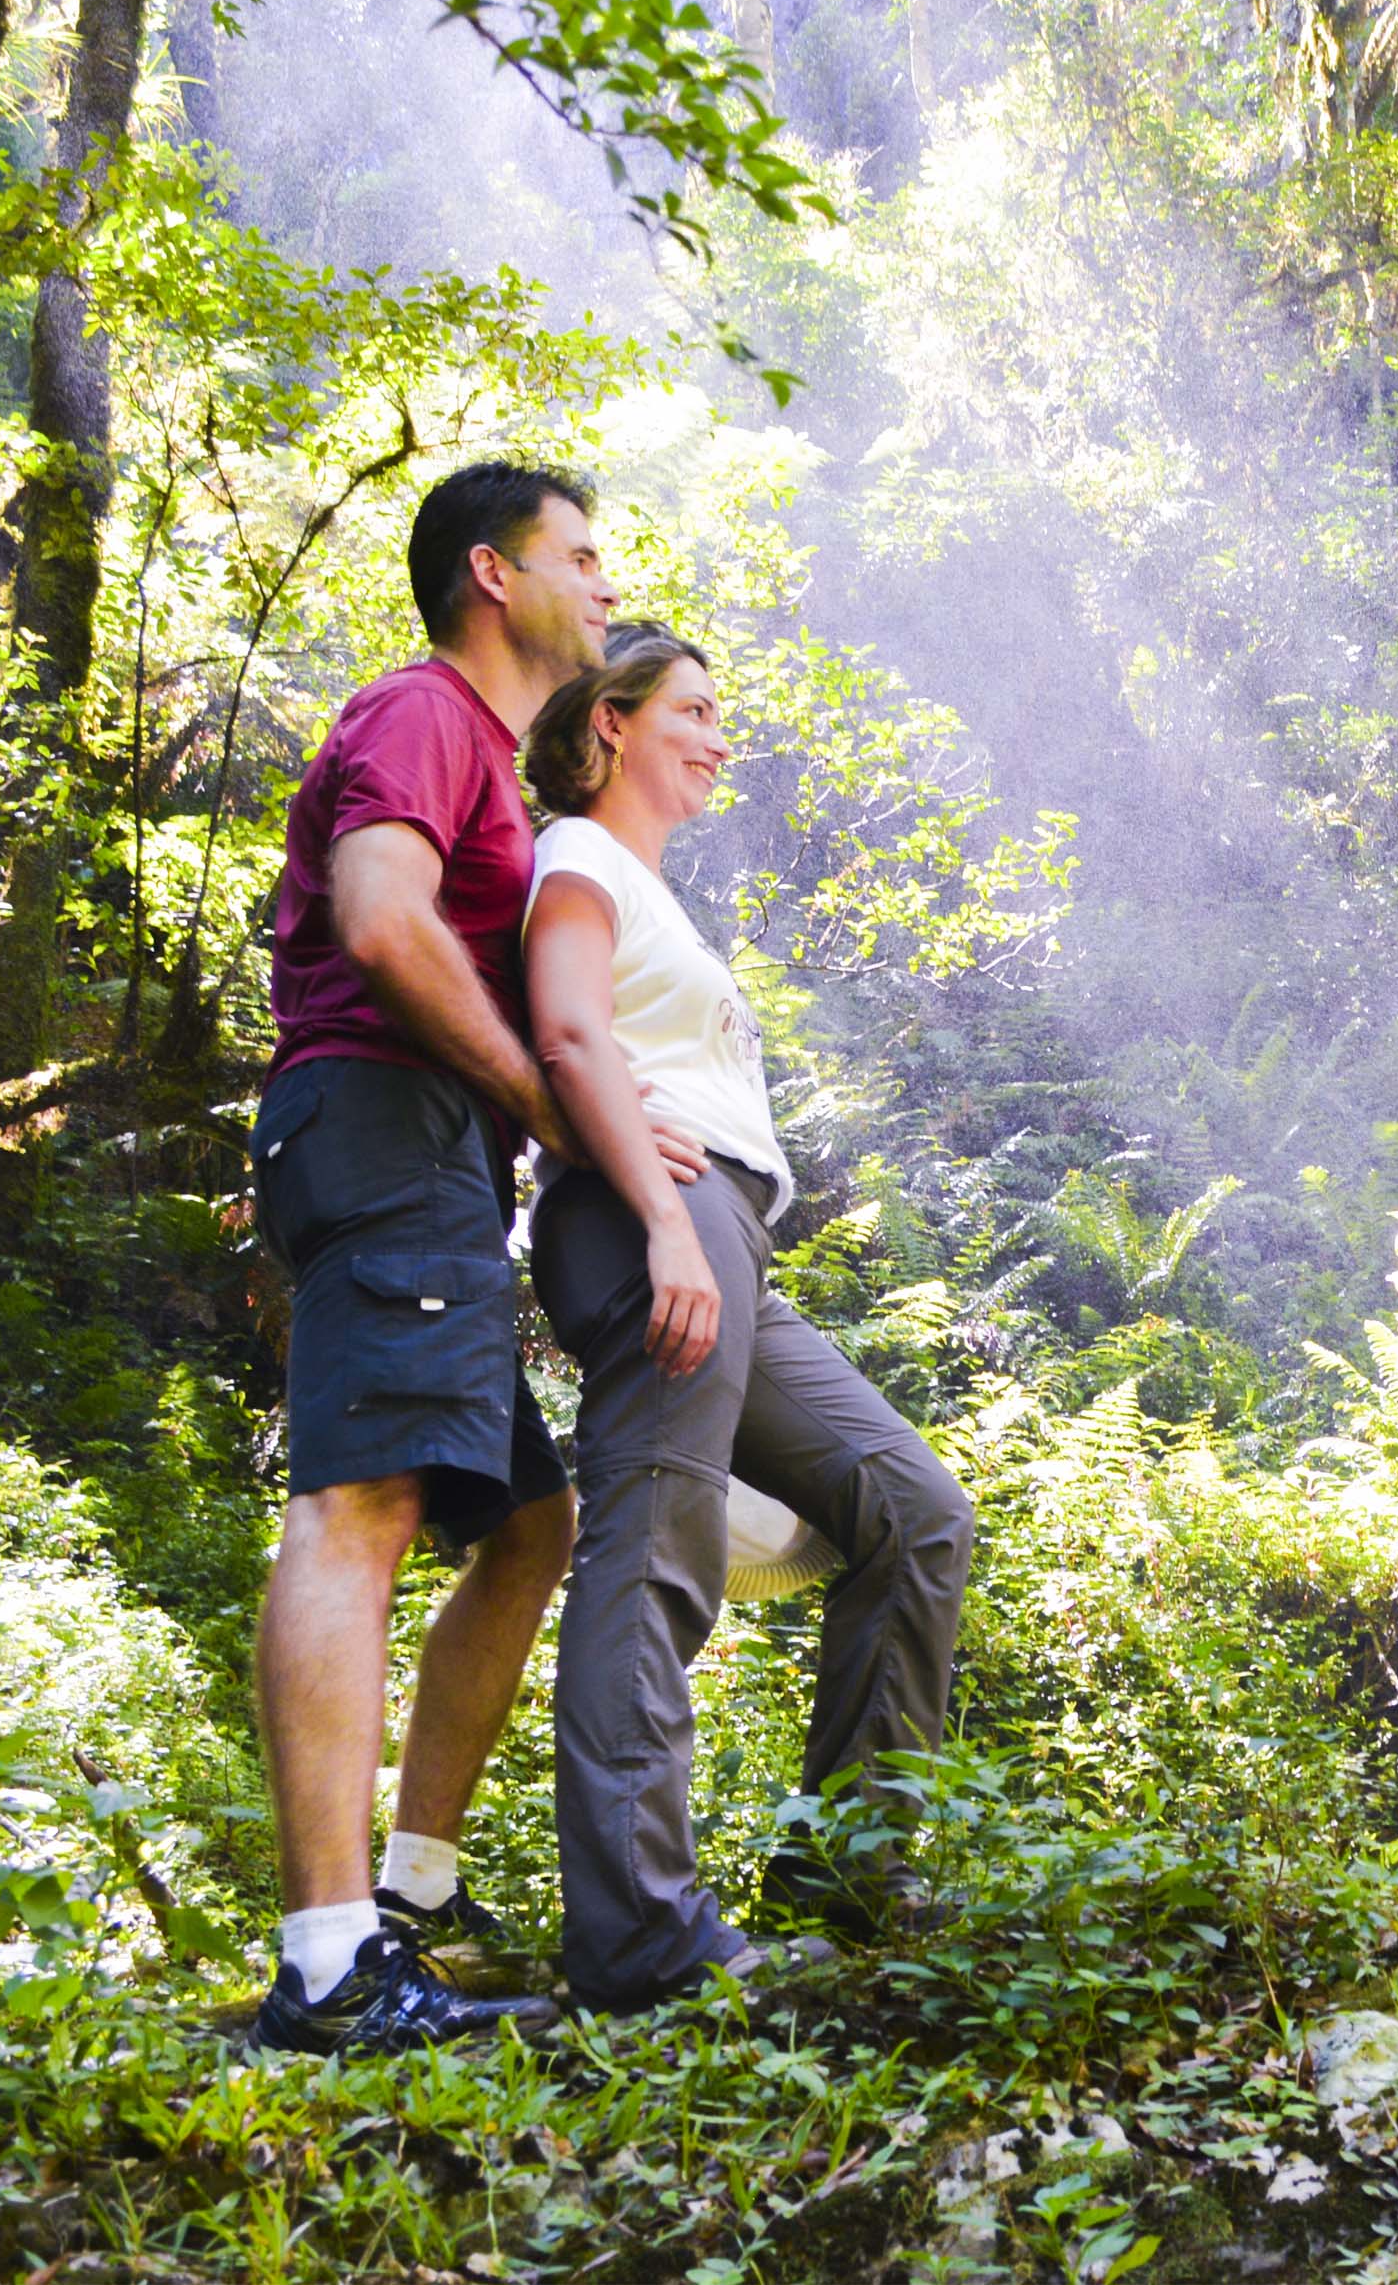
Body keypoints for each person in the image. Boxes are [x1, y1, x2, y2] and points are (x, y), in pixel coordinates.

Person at [242, 461, 701, 2053]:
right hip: (382, 1124)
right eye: (582, 551)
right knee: (357, 1505)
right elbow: (378, 918)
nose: (602, 575)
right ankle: (325, 1960)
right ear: (495, 577)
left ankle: (415, 1893)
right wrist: (542, 1105)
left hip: (426, 1156)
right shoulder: (426, 711)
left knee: (528, 1524)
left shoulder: (495, 766)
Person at [519, 626, 978, 2012]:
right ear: (611, 721)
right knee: (652, 1544)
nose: (721, 736)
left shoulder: (652, 890)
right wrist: (664, 1226)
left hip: (723, 1233)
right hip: (656, 1214)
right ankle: (640, 1942)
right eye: (694, 711)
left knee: (910, 1508)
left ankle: (846, 1883)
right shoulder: (579, 858)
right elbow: (569, 1033)